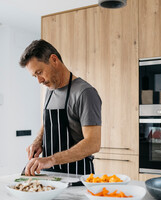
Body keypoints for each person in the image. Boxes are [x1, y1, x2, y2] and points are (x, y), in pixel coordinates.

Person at [19, 39, 102, 176]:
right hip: (50, 176)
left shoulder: (85, 93)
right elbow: (48, 123)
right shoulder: (50, 90)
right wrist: (38, 141)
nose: (39, 81)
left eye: (39, 72)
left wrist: (51, 159)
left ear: (54, 60)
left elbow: (93, 143)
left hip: (77, 177)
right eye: (35, 76)